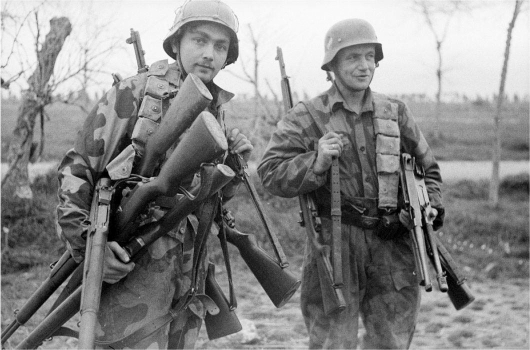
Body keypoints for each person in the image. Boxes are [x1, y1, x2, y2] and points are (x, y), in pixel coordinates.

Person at [55, 0, 252, 348]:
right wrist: (90, 248)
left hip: (187, 285)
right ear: (176, 43)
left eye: (220, 46)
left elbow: (206, 198)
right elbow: (77, 173)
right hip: (131, 285)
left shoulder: (216, 109)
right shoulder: (134, 94)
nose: (209, 53)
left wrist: (233, 171)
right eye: (199, 40)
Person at [258, 18, 444, 349]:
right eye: (353, 58)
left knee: (392, 340)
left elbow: (428, 168)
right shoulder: (306, 117)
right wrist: (314, 161)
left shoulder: (395, 112)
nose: (364, 66)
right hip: (334, 243)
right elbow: (270, 172)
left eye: (369, 57)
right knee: (332, 341)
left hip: (392, 242)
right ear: (332, 65)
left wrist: (430, 207)